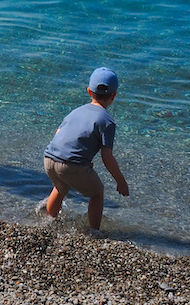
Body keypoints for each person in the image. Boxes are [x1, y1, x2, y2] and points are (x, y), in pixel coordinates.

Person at [42, 67, 129, 231]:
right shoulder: (107, 121)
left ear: (89, 91)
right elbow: (107, 156)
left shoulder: (76, 111)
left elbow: (59, 133)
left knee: (60, 188)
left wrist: (80, 159)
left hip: (49, 158)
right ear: (114, 95)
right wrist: (121, 181)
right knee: (97, 192)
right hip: (71, 165)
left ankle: (49, 222)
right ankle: (94, 231)